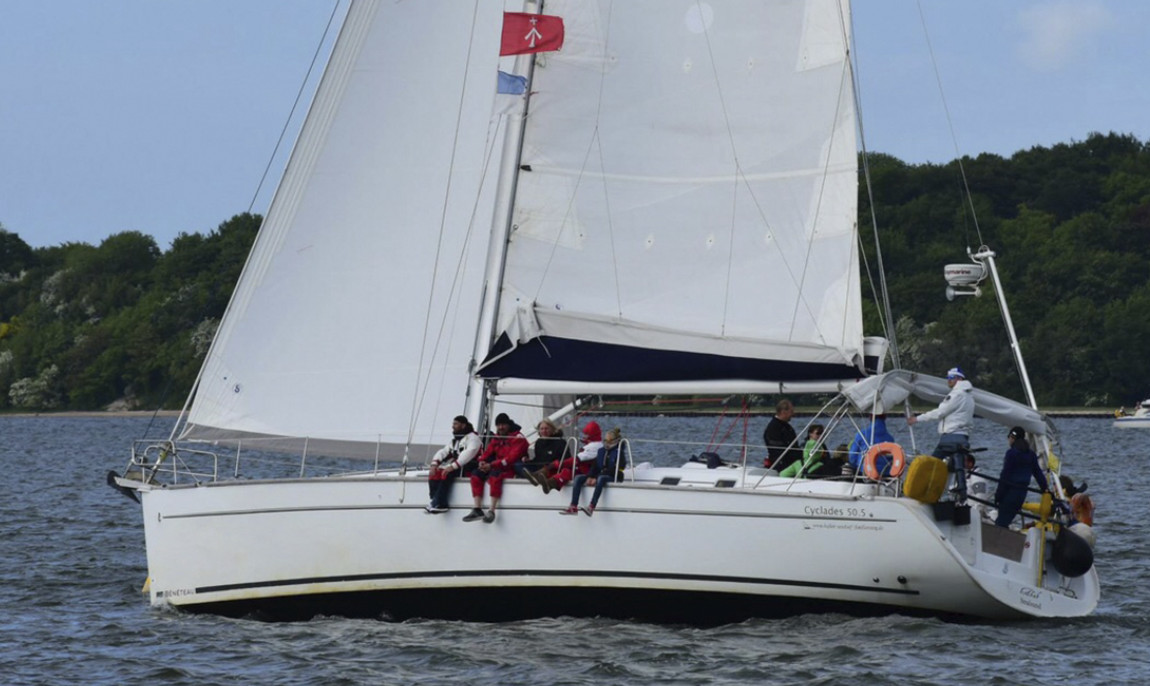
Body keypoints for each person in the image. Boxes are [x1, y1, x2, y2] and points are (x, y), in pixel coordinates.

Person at [907, 367, 975, 498]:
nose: (948, 380)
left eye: (951, 378)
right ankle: (961, 491)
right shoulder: (969, 396)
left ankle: (923, 489)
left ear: (959, 379)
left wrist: (916, 419)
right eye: (948, 378)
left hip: (950, 437)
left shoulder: (956, 395)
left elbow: (939, 413)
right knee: (958, 466)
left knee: (931, 463)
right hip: (963, 437)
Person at [463, 413, 528, 523]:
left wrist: (491, 465)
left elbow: (511, 458)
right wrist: (482, 462)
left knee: (495, 477)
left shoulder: (518, 438)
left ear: (508, 424)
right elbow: (487, 452)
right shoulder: (497, 438)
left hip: (510, 468)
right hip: (497, 466)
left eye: (503, 425)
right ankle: (477, 508)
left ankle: (491, 510)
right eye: (498, 425)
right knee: (476, 474)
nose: (501, 427)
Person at [993, 426, 1049, 528]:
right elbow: (1038, 473)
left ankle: (998, 543)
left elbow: (1005, 476)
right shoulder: (1031, 454)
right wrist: (1045, 488)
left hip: (1009, 492)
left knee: (1001, 523)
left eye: (1009, 437)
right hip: (1022, 493)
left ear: (1012, 438)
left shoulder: (1011, 453)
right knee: (1006, 520)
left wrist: (998, 496)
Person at [562, 427, 624, 516]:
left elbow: (617, 468)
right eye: (606, 440)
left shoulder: (619, 453)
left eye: (610, 440)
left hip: (613, 475)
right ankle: (573, 505)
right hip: (599, 475)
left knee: (601, 479)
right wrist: (590, 476)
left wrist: (597, 477)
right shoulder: (601, 451)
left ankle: (592, 506)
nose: (607, 442)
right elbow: (595, 465)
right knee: (578, 477)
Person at [527, 421, 603, 494]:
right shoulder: (594, 445)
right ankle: (541, 478)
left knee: (565, 470)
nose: (584, 436)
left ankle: (548, 482)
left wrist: (557, 464)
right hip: (581, 468)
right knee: (561, 468)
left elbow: (576, 460)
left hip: (587, 471)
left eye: (586, 434)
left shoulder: (594, 446)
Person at [426, 415, 482, 513]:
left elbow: (468, 454)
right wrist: (434, 464)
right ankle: (434, 499)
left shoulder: (473, 439)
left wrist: (452, 467)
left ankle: (441, 503)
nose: (453, 426)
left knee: (446, 473)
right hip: (460, 466)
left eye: (455, 424)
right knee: (435, 473)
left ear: (463, 425)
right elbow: (444, 451)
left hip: (471, 467)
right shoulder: (456, 440)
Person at [762, 399, 800, 472]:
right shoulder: (773, 428)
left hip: (792, 461)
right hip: (782, 464)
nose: (793, 414)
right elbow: (778, 450)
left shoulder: (786, 426)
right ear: (783, 412)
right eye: (791, 411)